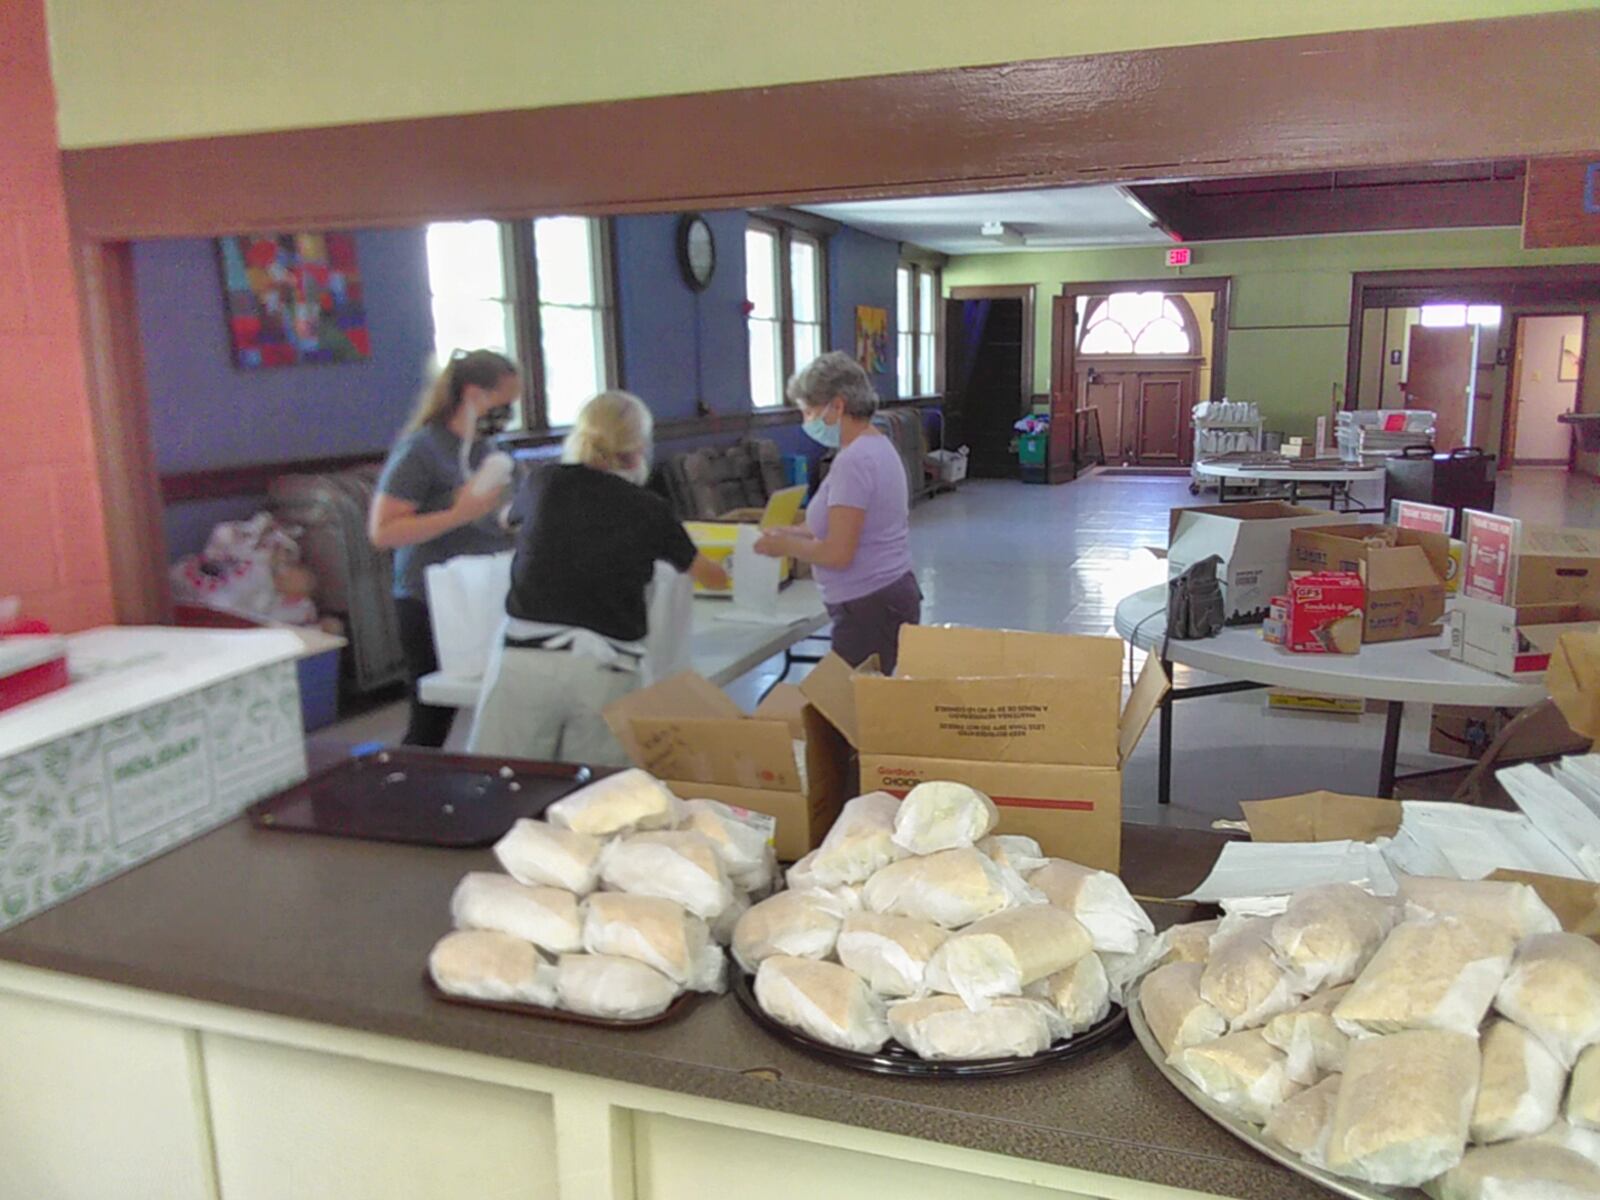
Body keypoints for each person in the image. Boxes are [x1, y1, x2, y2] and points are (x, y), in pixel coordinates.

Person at [467, 391, 728, 764]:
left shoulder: (545, 482)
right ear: (639, 446)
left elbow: (507, 518)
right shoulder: (650, 509)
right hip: (608, 670)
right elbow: (711, 577)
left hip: (527, 661)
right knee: (596, 797)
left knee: (505, 780)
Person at [369, 349, 519, 747]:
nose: (508, 414)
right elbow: (383, 532)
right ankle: (407, 797)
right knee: (432, 714)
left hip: (481, 592)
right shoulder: (422, 450)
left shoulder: (487, 448)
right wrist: (458, 514)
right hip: (429, 598)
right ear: (473, 394)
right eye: (504, 403)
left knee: (495, 697)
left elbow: (492, 514)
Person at [755, 351, 920, 672]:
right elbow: (843, 522)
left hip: (869, 604)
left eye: (809, 411)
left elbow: (837, 552)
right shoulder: (876, 446)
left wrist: (783, 547)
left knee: (851, 710)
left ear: (838, 406)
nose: (807, 421)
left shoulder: (853, 462)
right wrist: (791, 531)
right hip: (884, 596)